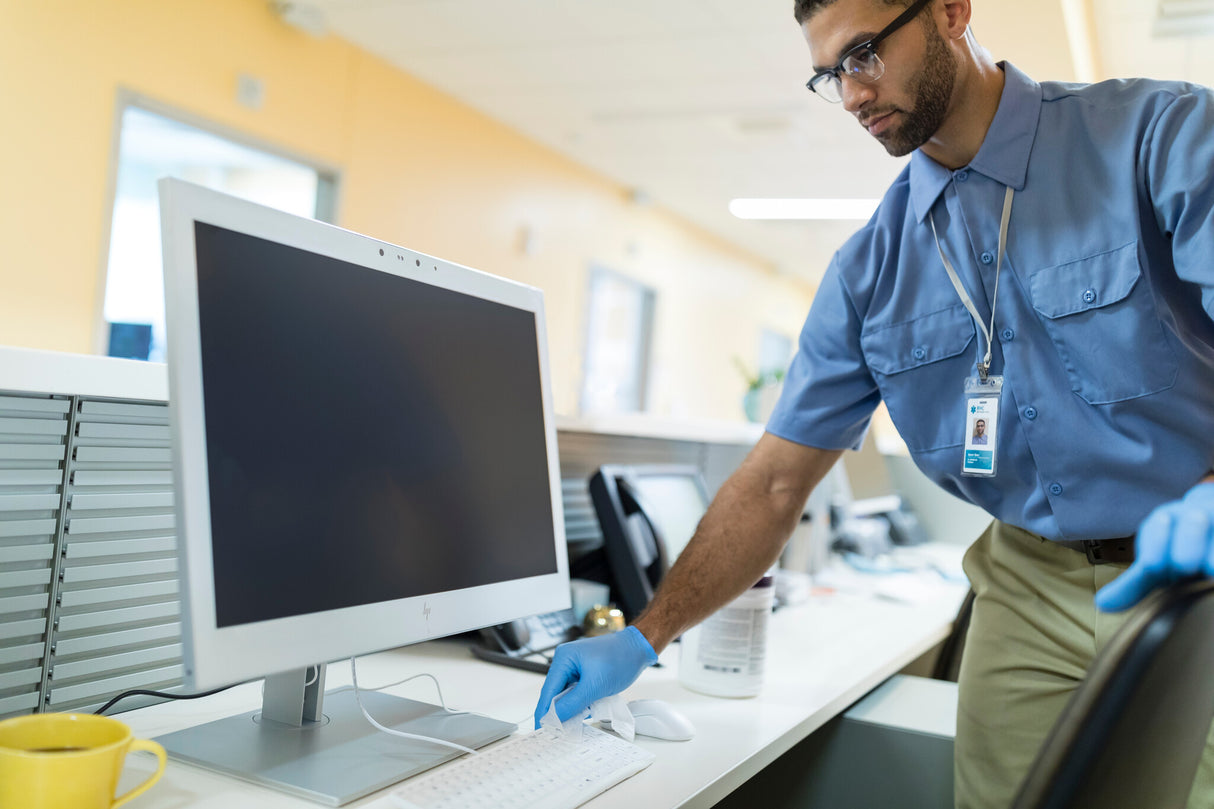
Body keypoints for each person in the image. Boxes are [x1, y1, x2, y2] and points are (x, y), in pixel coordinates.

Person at [534, 1, 1214, 806]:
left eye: (862, 54)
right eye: (830, 74)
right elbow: (776, 483)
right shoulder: (871, 270)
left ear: (953, 12)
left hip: (1196, 559)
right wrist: (648, 633)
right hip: (1027, 579)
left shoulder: (1157, 137)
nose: (852, 95)